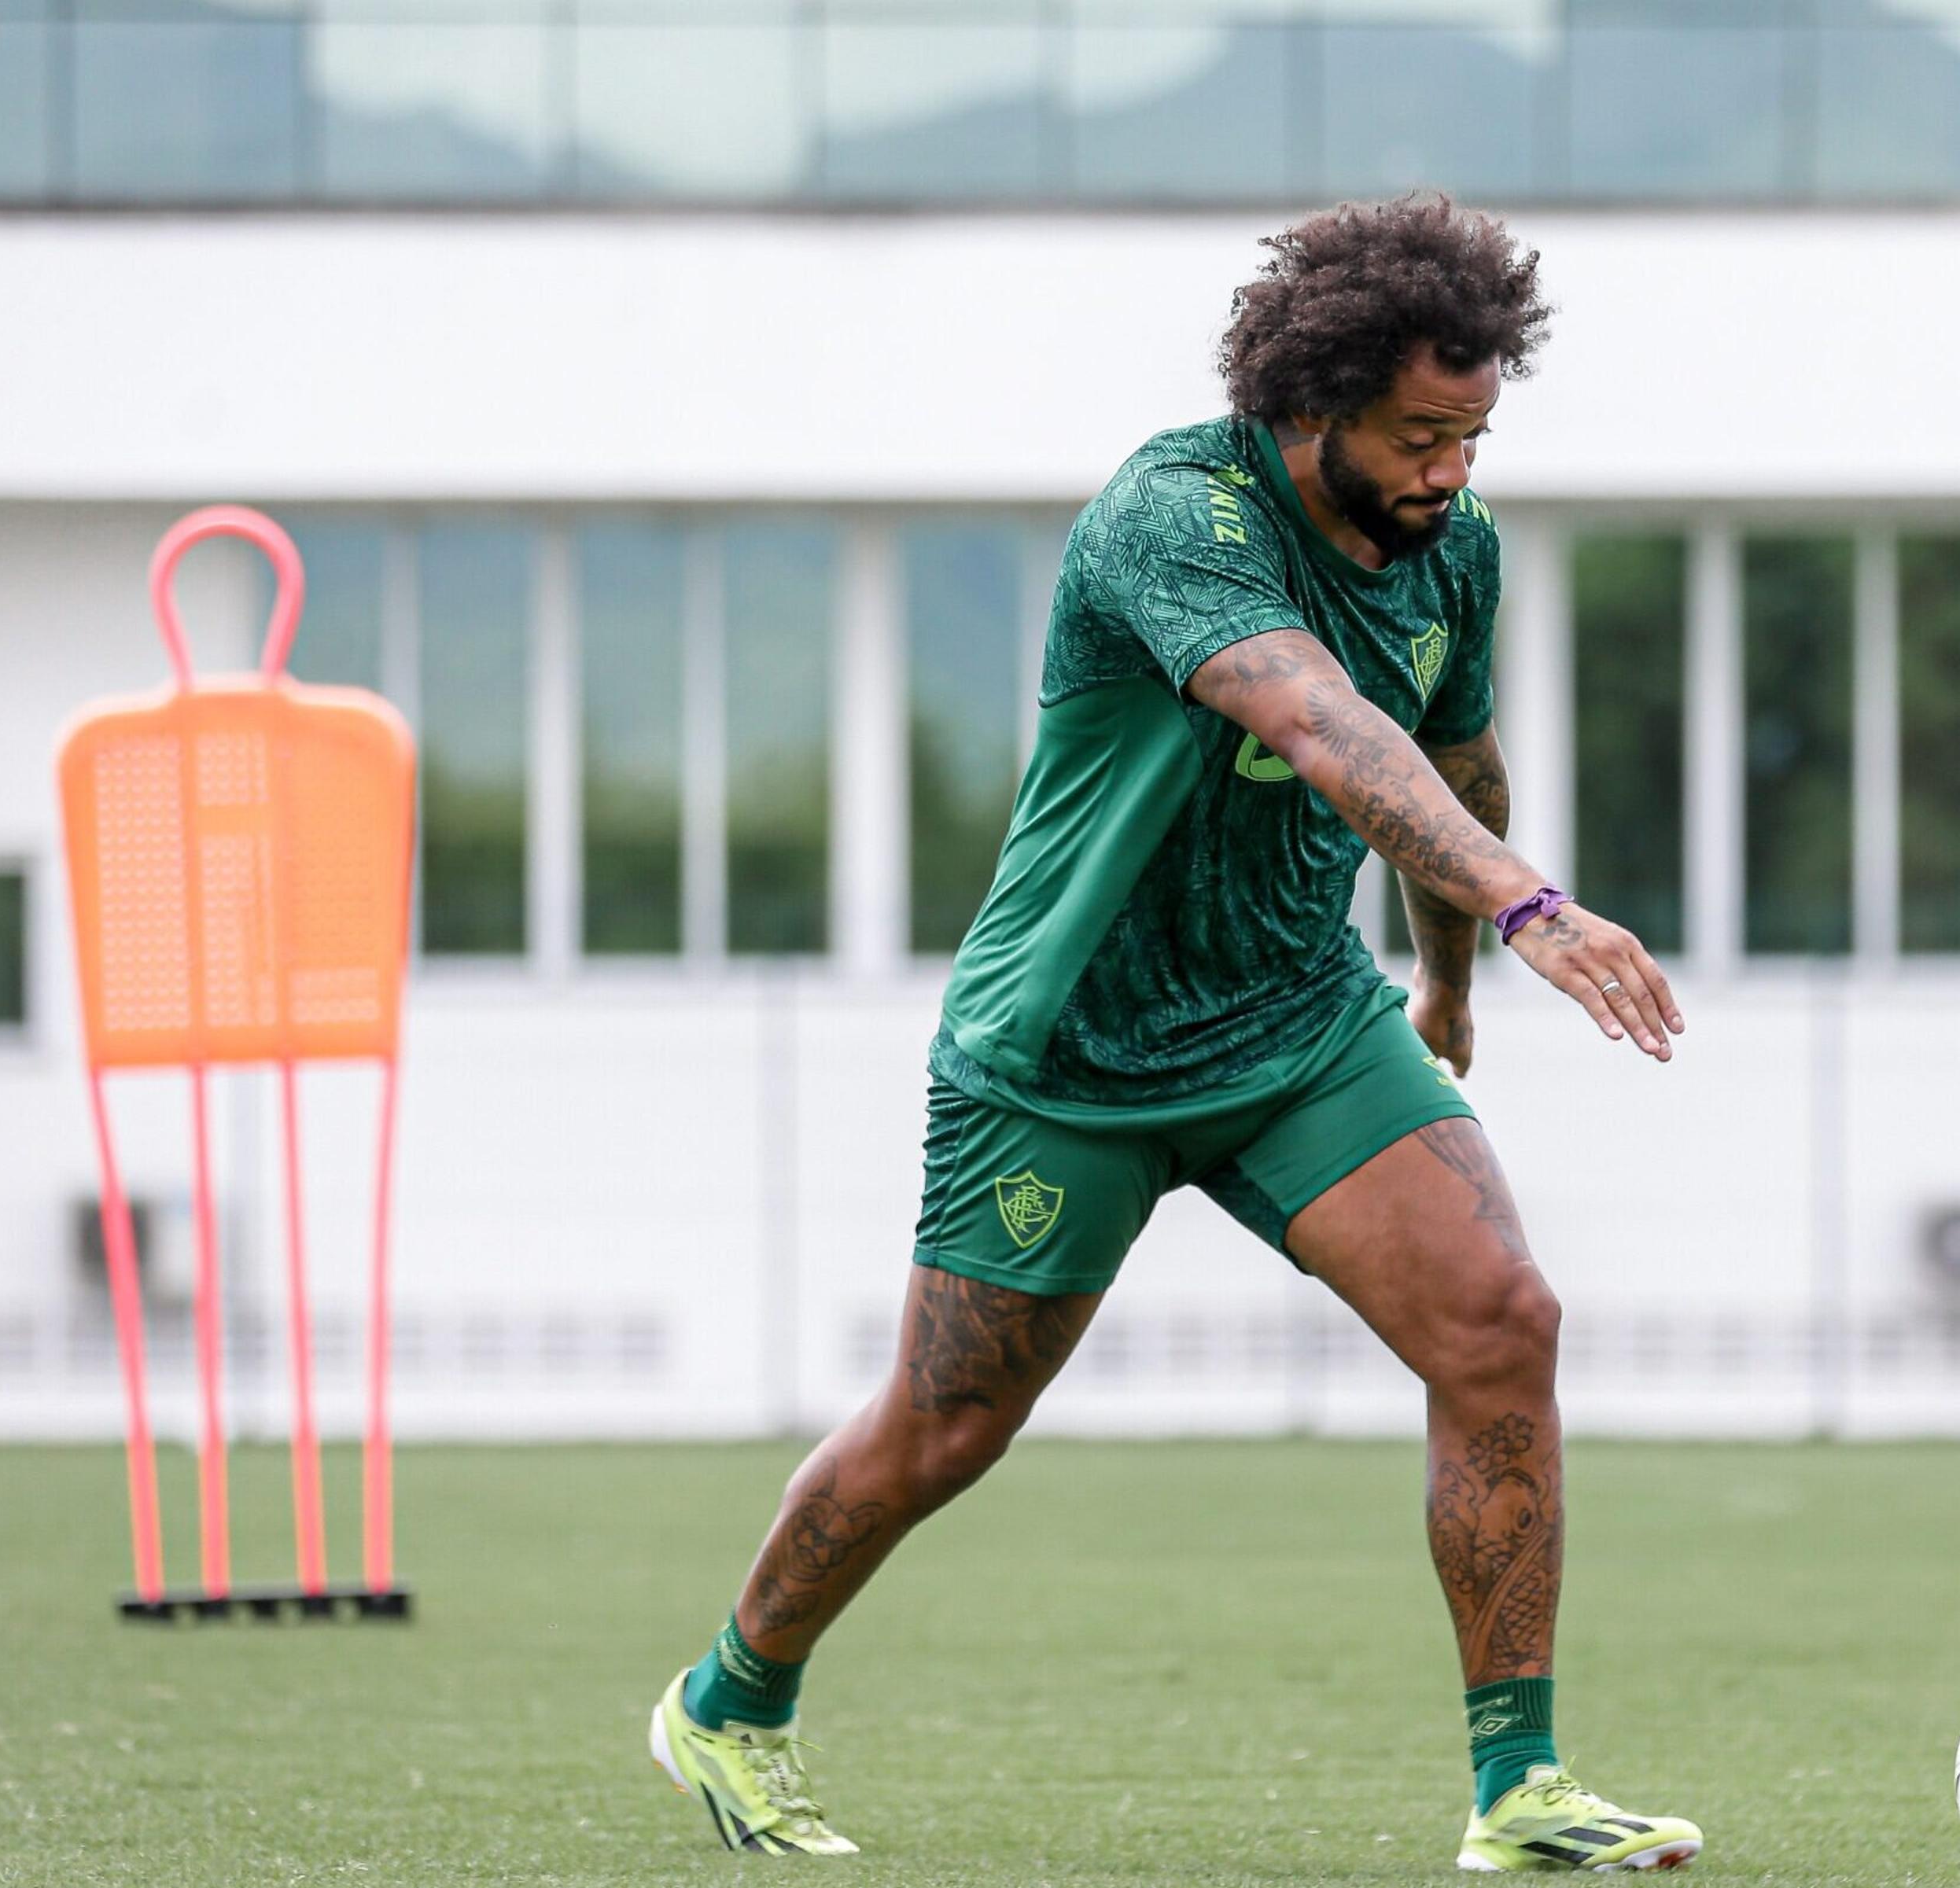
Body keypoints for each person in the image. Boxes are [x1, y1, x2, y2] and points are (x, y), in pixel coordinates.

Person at [647, 193, 1704, 1874]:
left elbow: (1455, 760)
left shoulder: (1458, 550)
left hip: (1294, 1019)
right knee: (946, 1426)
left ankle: (1520, 1790)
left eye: (1473, 436)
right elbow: (1328, 724)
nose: (1449, 472)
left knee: (1502, 1319)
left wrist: (1443, 976)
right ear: (1315, 400)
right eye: (1419, 436)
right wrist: (1532, 907)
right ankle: (729, 1696)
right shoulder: (1175, 515)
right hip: (1069, 1049)